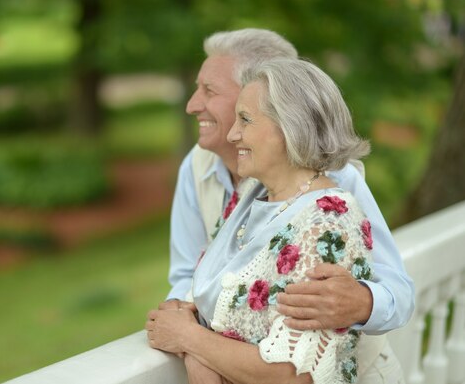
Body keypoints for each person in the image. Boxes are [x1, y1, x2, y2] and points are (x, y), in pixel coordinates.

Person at [147, 58, 406, 383]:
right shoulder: (250, 198)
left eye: (245, 120)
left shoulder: (325, 222)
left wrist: (188, 339)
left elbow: (293, 374)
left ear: (289, 127)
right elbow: (205, 307)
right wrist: (194, 345)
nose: (232, 134)